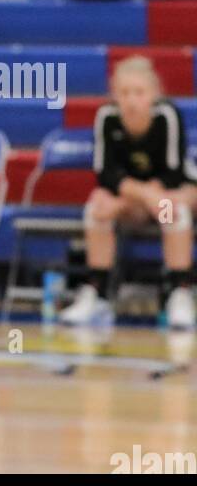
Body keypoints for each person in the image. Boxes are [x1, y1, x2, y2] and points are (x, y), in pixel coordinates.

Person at [61, 55, 197, 330]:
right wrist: (140, 198)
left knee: (173, 210)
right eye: (124, 93)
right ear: (114, 95)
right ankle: (96, 294)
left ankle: (179, 291)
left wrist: (152, 198)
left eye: (139, 92)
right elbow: (106, 174)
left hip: (171, 193)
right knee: (97, 208)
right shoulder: (107, 118)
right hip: (134, 199)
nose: (132, 100)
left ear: (154, 94)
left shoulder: (167, 116)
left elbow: (171, 175)